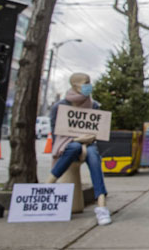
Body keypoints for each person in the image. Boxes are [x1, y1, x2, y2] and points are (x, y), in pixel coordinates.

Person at [46, 72, 111, 226]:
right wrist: (76, 139)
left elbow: (97, 130)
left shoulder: (94, 105)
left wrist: (88, 139)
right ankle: (47, 187)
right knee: (74, 146)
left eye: (89, 82)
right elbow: (56, 134)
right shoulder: (60, 106)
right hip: (66, 146)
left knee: (93, 154)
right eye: (85, 82)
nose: (88, 85)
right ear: (75, 85)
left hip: (88, 144)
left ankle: (101, 205)